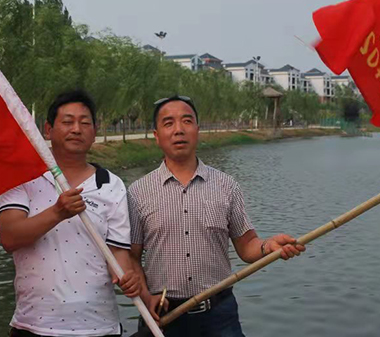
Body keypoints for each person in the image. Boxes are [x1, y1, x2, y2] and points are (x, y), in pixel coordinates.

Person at [128, 95, 305, 337]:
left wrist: (268, 247)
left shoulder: (226, 186)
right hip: (163, 316)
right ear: (156, 135)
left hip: (219, 317)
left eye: (187, 121)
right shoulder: (138, 193)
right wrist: (144, 296)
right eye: (169, 123)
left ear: (198, 130)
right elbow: (131, 258)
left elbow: (247, 246)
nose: (179, 130)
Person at [0, 90, 140, 337]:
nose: (76, 129)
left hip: (99, 327)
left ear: (94, 132)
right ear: (48, 130)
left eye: (84, 123)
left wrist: (128, 277)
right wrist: (57, 212)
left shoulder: (111, 184)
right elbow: (9, 237)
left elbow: (118, 253)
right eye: (67, 122)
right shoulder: (21, 178)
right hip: (34, 326)